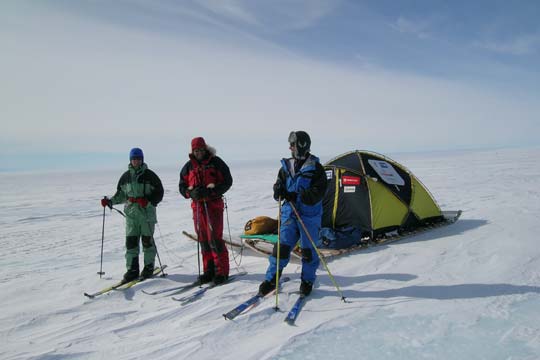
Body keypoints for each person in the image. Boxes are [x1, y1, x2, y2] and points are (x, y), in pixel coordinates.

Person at [259, 131, 327, 297]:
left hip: (309, 216)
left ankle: (307, 280)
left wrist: (296, 195)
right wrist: (278, 191)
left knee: (308, 251)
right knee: (281, 248)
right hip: (289, 214)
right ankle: (272, 279)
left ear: (302, 146)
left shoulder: (316, 169)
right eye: (290, 144)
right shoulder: (285, 167)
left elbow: (316, 194)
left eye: (293, 144)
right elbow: (279, 187)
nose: (290, 147)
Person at [101, 147, 164, 283]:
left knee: (147, 243)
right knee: (131, 244)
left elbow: (159, 193)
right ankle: (132, 270)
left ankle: (148, 268)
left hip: (147, 215)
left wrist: (147, 201)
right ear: (130, 160)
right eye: (134, 159)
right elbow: (121, 195)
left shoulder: (150, 175)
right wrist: (110, 201)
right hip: (131, 215)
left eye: (138, 159)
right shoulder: (125, 177)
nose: (136, 161)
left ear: (142, 160)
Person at [179, 137, 233, 285]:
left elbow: (228, 181)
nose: (199, 153)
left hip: (213, 206)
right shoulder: (188, 167)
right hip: (198, 208)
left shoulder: (216, 162)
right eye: (196, 150)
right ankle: (208, 271)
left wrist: (212, 192)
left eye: (201, 150)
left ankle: (221, 272)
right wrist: (191, 194)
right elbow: (182, 187)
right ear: (192, 151)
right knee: (203, 240)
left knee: (215, 239)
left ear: (205, 149)